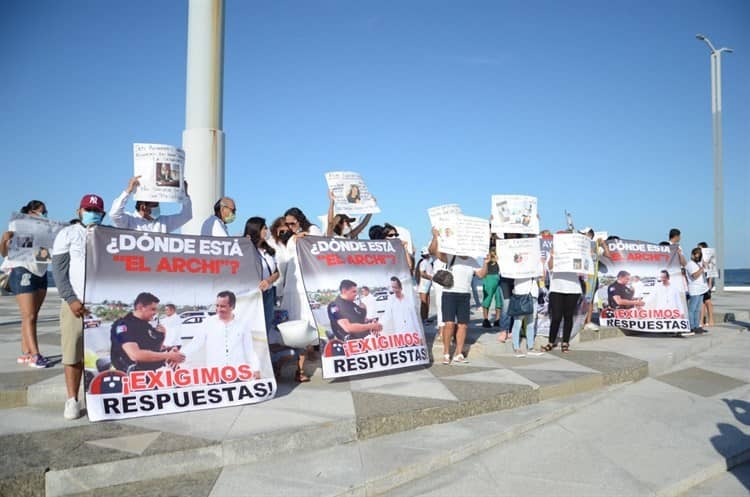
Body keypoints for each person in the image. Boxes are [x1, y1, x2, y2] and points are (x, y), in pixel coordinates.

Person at [52, 193, 106, 419]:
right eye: (88, 209)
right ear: (79, 211)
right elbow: (59, 272)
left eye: (96, 211)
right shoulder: (67, 234)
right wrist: (71, 299)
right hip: (75, 303)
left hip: (101, 305)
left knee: (100, 354)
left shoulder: (108, 234)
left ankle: (98, 397)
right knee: (72, 353)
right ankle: (72, 399)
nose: (92, 213)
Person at [429, 228, 490, 365]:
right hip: (449, 294)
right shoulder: (451, 256)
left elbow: (481, 275)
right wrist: (436, 237)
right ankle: (446, 353)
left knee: (463, 325)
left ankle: (458, 353)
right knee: (449, 324)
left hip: (464, 295)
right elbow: (434, 251)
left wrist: (486, 263)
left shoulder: (472, 261)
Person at [1, 200, 51, 368]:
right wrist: (4, 239)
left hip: (41, 271)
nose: (43, 215)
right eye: (39, 211)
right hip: (22, 269)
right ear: (30, 212)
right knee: (28, 315)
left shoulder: (46, 228)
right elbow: (5, 252)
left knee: (32, 316)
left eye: (44, 212)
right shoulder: (17, 225)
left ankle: (26, 353)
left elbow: (46, 252)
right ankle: (36, 355)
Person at [181, 291, 262, 375]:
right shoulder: (208, 322)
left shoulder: (242, 324)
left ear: (232, 306)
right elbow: (195, 343)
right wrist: (179, 355)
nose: (219, 309)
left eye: (222, 306)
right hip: (214, 375)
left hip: (237, 374)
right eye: (217, 305)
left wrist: (256, 368)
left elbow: (249, 350)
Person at [110, 292, 185, 372]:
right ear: (140, 307)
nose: (155, 313)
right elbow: (135, 355)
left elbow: (154, 350)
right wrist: (168, 355)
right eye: (152, 309)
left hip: (150, 374)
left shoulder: (146, 325)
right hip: (129, 376)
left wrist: (170, 351)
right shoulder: (123, 325)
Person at [110, 176, 192, 233]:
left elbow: (186, 216)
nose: (158, 208)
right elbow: (114, 214)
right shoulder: (129, 221)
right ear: (143, 207)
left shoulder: (163, 222)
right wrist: (128, 190)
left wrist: (185, 194)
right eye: (155, 205)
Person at [243, 217, 280, 337]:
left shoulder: (268, 250)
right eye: (264, 228)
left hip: (268, 293)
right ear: (256, 230)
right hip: (252, 295)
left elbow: (277, 272)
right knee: (253, 327)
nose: (267, 230)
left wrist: (269, 281)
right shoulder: (245, 249)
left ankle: (266, 353)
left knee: (267, 324)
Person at [542, 248, 583, 353]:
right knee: (556, 317)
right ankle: (551, 342)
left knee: (568, 316)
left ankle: (565, 342)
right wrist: (552, 256)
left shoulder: (576, 253)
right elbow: (549, 267)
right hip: (556, 288)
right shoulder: (552, 253)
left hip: (573, 289)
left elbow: (580, 269)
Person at [510, 276, 544, 357]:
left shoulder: (536, 264)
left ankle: (530, 347)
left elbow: (542, 277)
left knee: (531, 323)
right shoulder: (517, 264)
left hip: (533, 295)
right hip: (521, 295)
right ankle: (516, 348)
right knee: (517, 322)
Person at [686, 247, 709, 334]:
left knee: (698, 309)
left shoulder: (698, 264)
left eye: (699, 255)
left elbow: (704, 273)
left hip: (701, 289)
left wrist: (705, 267)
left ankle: (696, 326)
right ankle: (691, 326)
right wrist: (702, 269)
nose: (698, 256)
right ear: (693, 255)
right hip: (694, 289)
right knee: (692, 309)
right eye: (697, 254)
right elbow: (694, 275)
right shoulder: (690, 264)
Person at [481, 250, 502, 328]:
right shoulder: (486, 252)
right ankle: (486, 319)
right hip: (488, 277)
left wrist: (498, 260)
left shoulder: (500, 252)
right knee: (487, 299)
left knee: (499, 299)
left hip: (498, 277)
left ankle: (497, 319)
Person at [697, 242, 715, 327]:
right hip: (701, 280)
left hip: (708, 280)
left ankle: (711, 320)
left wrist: (710, 283)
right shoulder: (699, 258)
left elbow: (711, 271)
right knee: (702, 302)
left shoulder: (709, 257)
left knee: (707, 301)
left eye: (700, 248)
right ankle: (701, 321)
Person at [416, 248, 434, 324]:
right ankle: (423, 320)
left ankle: (426, 318)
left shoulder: (427, 262)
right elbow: (422, 273)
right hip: (423, 286)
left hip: (427, 285)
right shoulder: (423, 262)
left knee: (427, 302)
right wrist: (432, 278)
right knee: (424, 303)